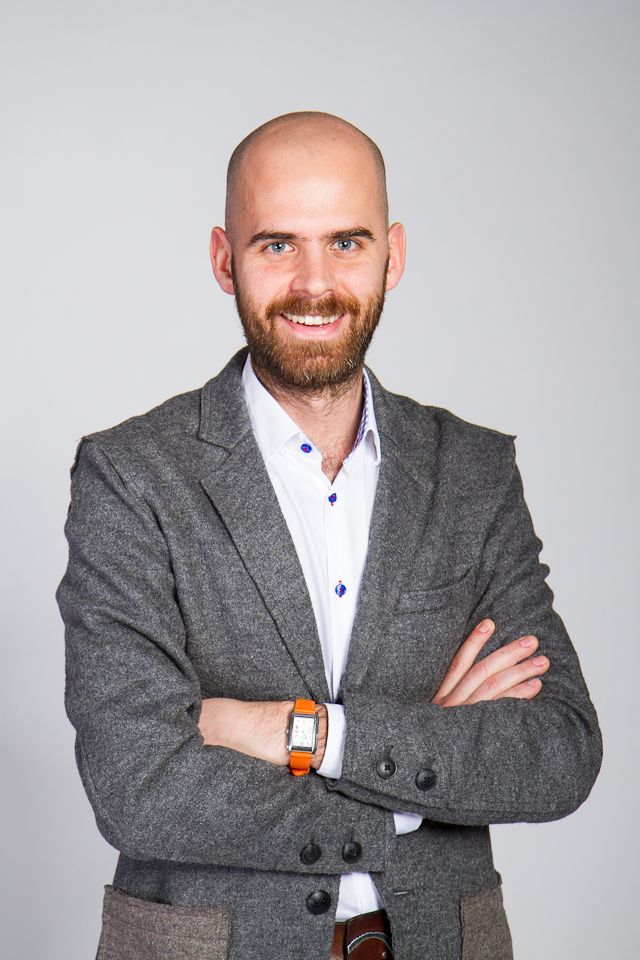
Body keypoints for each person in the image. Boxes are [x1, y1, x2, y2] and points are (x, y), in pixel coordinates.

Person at [55, 111, 602, 960]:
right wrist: (420, 770)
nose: (315, 283)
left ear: (393, 254)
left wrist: (304, 734)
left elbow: (558, 751)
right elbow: (138, 784)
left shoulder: (471, 472)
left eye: (346, 242)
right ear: (223, 259)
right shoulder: (132, 476)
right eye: (277, 244)